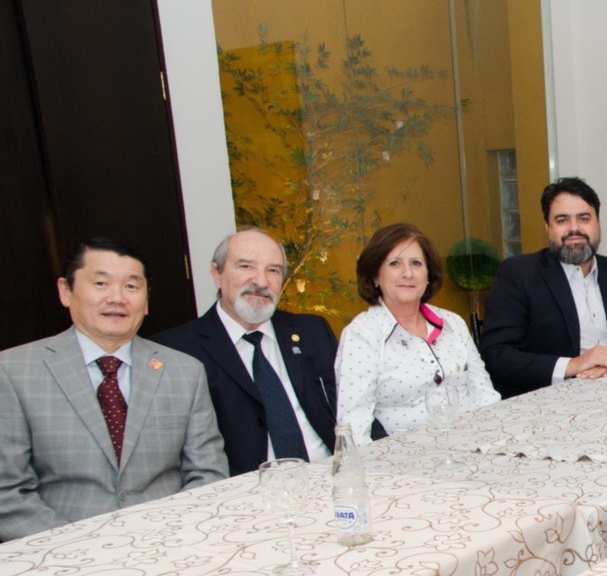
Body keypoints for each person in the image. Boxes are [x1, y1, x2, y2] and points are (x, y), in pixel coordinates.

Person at [0, 238, 226, 540]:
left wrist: (172, 534)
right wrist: (77, 548)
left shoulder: (185, 371)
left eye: (131, 286)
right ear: (65, 291)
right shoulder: (14, 371)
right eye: (101, 284)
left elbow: (208, 473)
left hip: (170, 540)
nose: (117, 298)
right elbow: (8, 492)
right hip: (62, 549)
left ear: (146, 301)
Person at [155, 228, 338, 476]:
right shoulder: (178, 351)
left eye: (273, 270)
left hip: (330, 474)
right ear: (217, 274)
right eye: (246, 266)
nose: (261, 282)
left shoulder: (312, 331)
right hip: (247, 489)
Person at [480, 178, 607, 397]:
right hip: (548, 399)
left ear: (598, 223)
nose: (574, 229)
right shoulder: (519, 274)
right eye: (562, 220)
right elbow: (497, 355)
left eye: (584, 218)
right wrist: (574, 365)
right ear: (548, 228)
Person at [335, 223, 500, 444]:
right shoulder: (362, 335)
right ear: (375, 276)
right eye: (394, 264)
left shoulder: (452, 323)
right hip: (408, 455)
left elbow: (485, 394)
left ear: (428, 274)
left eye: (416, 263)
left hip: (475, 442)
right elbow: (353, 427)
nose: (408, 273)